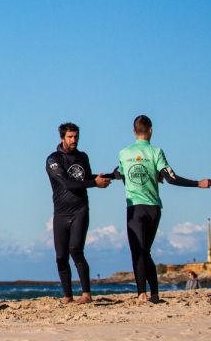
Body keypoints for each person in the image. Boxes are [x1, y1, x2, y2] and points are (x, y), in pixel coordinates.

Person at [113, 115, 210, 303]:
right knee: (145, 251)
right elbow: (172, 178)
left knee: (138, 251)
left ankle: (142, 293)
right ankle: (155, 294)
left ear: (134, 131)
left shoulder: (124, 153)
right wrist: (199, 183)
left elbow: (119, 174)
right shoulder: (156, 152)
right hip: (153, 209)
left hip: (135, 207)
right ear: (151, 130)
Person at [45, 122, 111, 304]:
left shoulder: (82, 157)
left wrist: (110, 177)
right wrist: (94, 184)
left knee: (75, 249)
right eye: (70, 137)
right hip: (60, 213)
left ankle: (86, 294)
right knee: (60, 256)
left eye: (76, 137)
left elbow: (86, 178)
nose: (74, 140)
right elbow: (67, 183)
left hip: (80, 209)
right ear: (62, 138)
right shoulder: (53, 159)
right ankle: (67, 296)